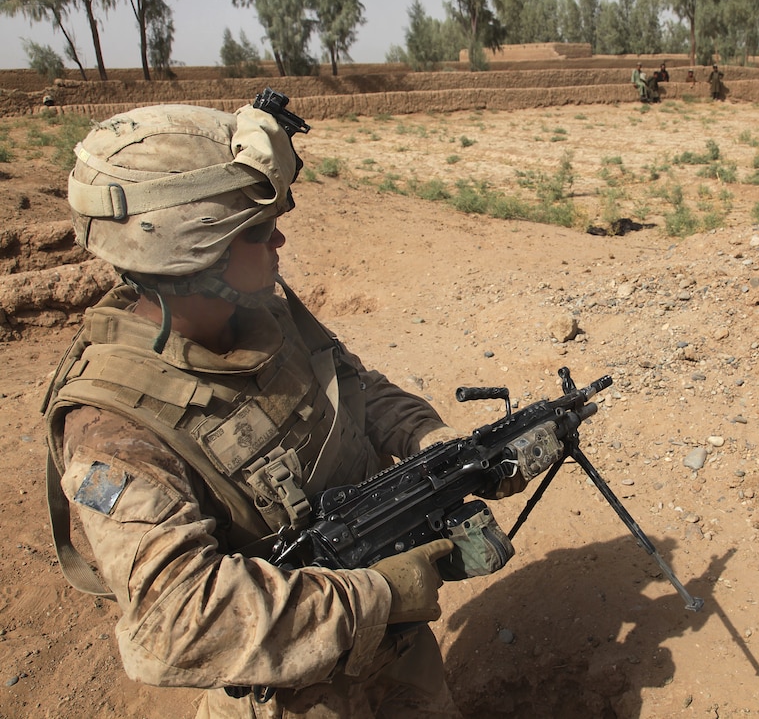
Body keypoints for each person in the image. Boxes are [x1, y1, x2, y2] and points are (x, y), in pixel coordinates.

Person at [41, 98, 516, 717]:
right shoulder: (113, 425)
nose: (281, 238)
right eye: (259, 231)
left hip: (395, 654)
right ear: (191, 254)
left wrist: (432, 442)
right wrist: (377, 597)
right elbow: (176, 623)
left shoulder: (263, 310)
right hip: (287, 694)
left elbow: (355, 389)